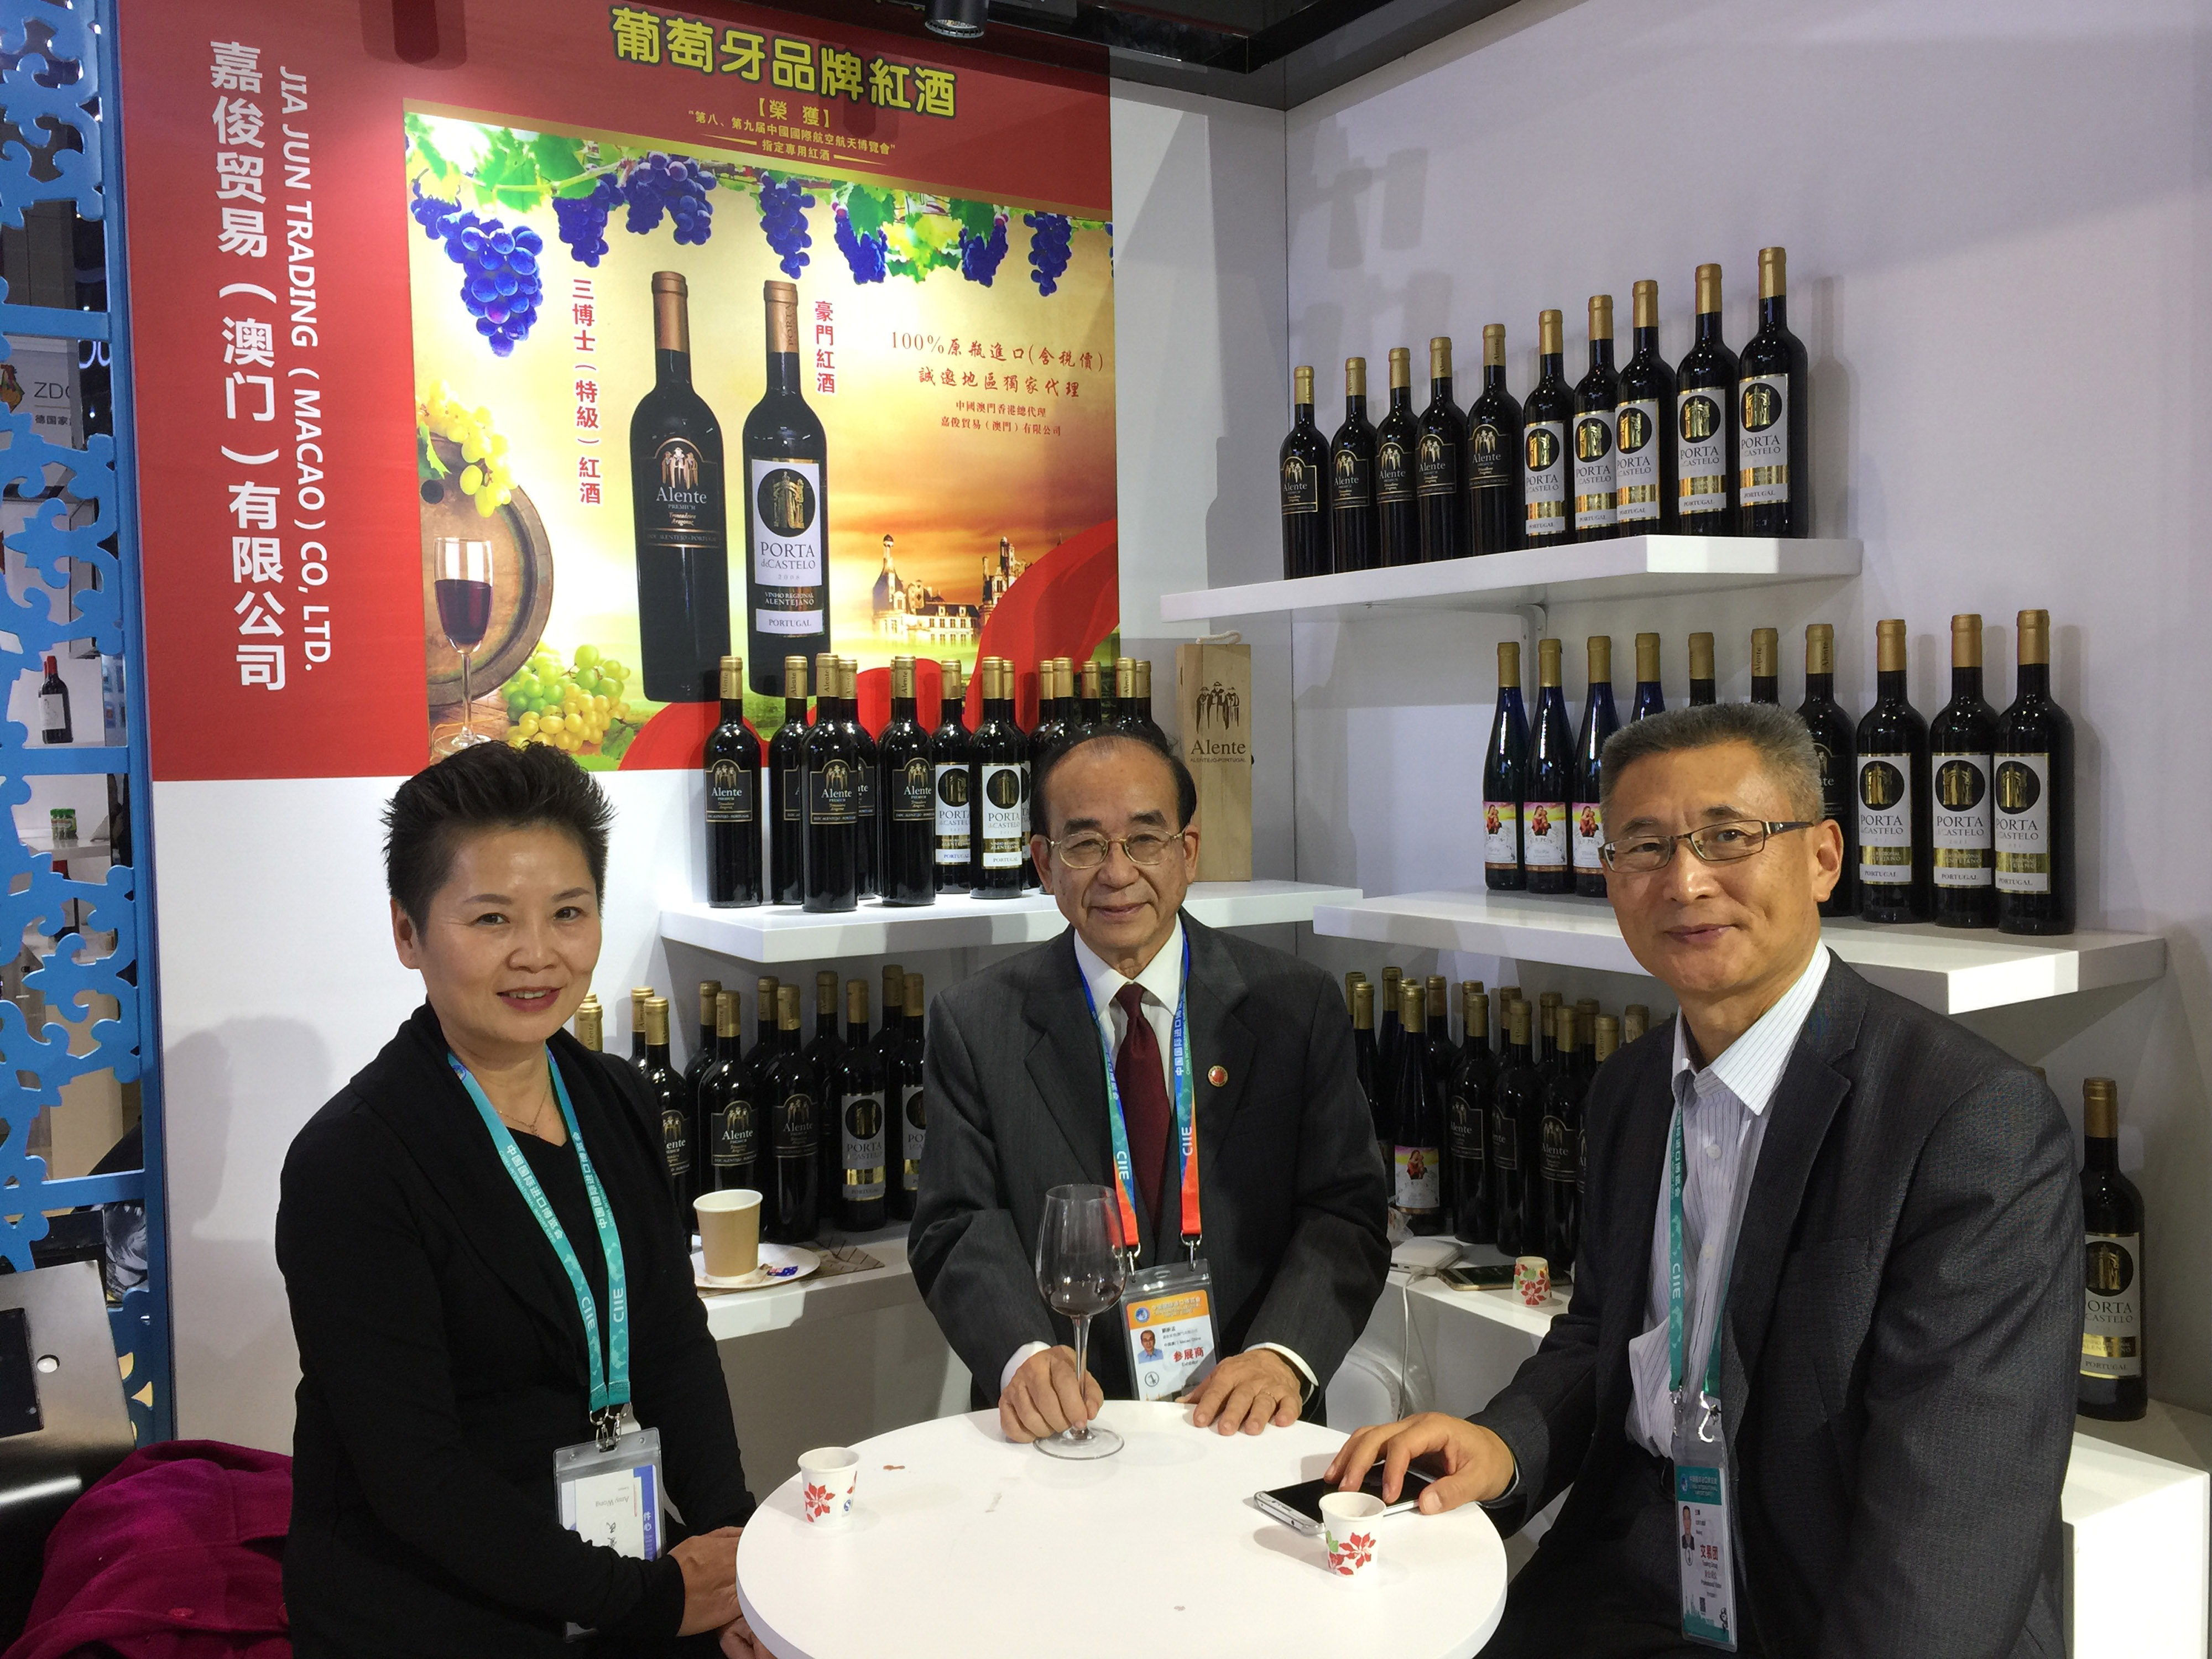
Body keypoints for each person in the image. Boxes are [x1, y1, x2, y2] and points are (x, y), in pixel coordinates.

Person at [1329, 703, 2077, 1658]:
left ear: (1823, 857)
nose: (1684, 881)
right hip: (1637, 1556)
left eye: (1729, 837)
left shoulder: (1969, 1122)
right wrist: (1506, 1442)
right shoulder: (1631, 1089)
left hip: (1826, 1595)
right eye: (1645, 847)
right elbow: (1606, 1331)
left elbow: (1953, 1524)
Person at [276, 745, 769, 1657]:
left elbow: (671, 1343)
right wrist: (651, 1600)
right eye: (491, 918)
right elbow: (418, 1478)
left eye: (568, 913)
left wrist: (734, 1552)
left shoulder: (615, 1099)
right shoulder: (351, 1163)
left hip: (612, 1564)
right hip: (429, 1606)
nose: (537, 954)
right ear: (408, 933)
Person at [912, 728, 1390, 1442]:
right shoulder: (976, 1023)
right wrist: (1023, 1357)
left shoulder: (1296, 1006)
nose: (1117, 872)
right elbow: (956, 1225)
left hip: (1243, 1426)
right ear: (1043, 862)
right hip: (1064, 1426)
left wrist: (1281, 1356)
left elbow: (1346, 1212)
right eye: (1084, 844)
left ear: (1188, 851)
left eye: (1145, 840)